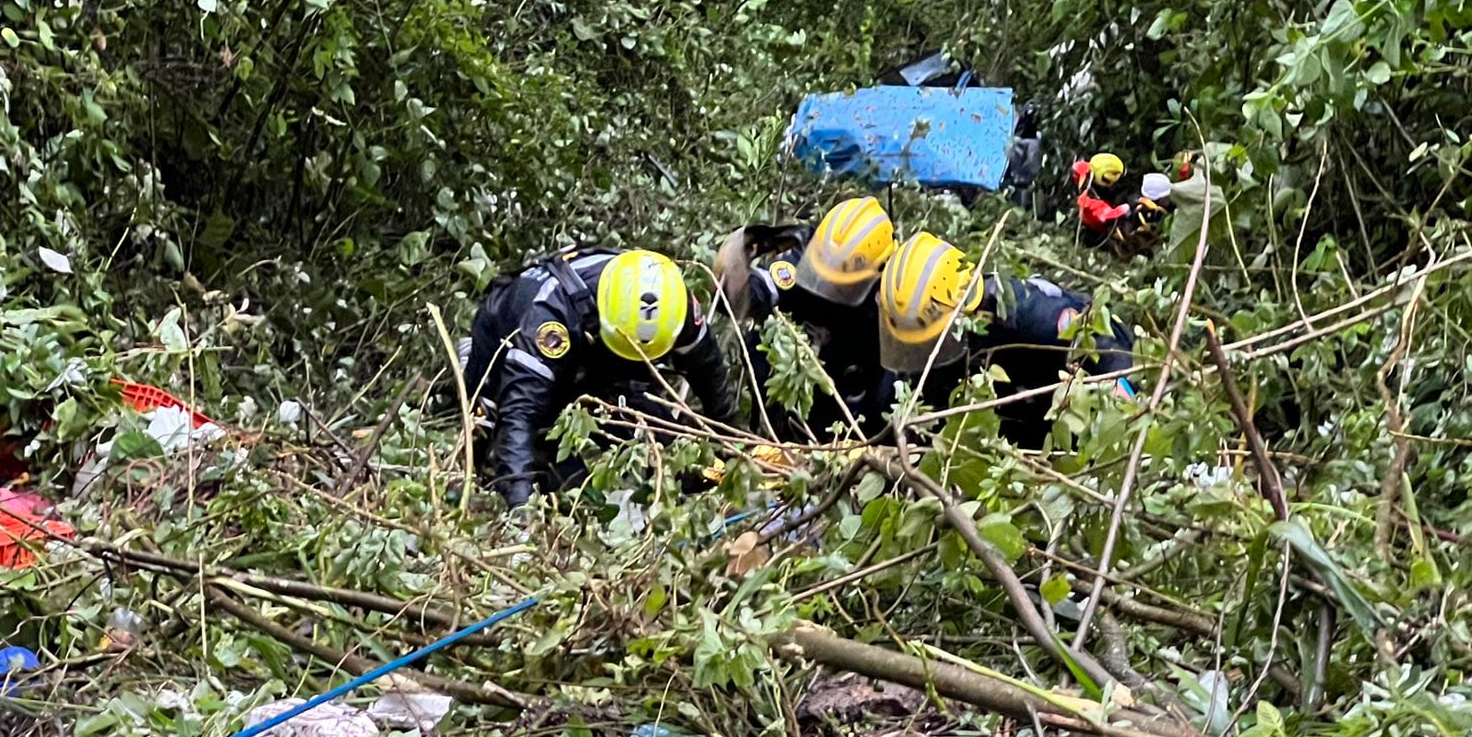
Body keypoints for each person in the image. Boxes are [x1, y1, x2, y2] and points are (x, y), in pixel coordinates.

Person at [461, 248, 738, 507]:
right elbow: (520, 415)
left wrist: (729, 443)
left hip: (605, 363)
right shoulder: (552, 316)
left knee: (672, 449)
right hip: (510, 339)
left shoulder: (676, 307)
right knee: (570, 490)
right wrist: (520, 511)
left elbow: (709, 372)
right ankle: (474, 384)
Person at [874, 232, 1133, 447]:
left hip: (1059, 394)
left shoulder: (1029, 313)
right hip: (1007, 409)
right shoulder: (924, 344)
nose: (924, 351)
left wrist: (1126, 407)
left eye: (932, 342)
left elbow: (1108, 353)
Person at [711, 197, 895, 439]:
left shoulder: (890, 293)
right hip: (793, 385)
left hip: (853, 388)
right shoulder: (806, 257)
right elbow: (756, 290)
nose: (831, 287)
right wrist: (738, 267)